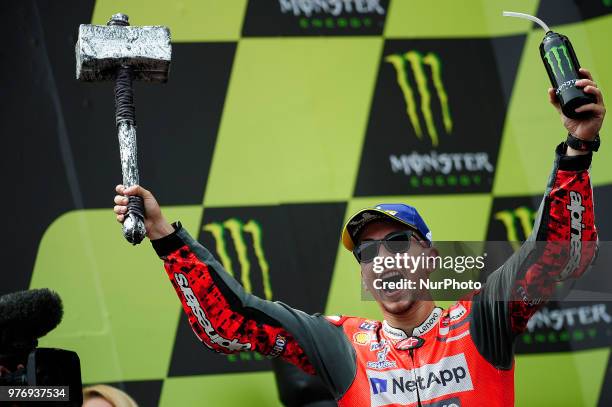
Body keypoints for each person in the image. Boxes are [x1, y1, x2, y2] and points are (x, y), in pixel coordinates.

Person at [112, 69, 605, 406]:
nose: (383, 259)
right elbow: (232, 323)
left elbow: (559, 255)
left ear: (428, 256)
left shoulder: (482, 316)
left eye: (397, 243)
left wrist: (578, 145)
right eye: (368, 252)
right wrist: (165, 236)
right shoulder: (343, 344)